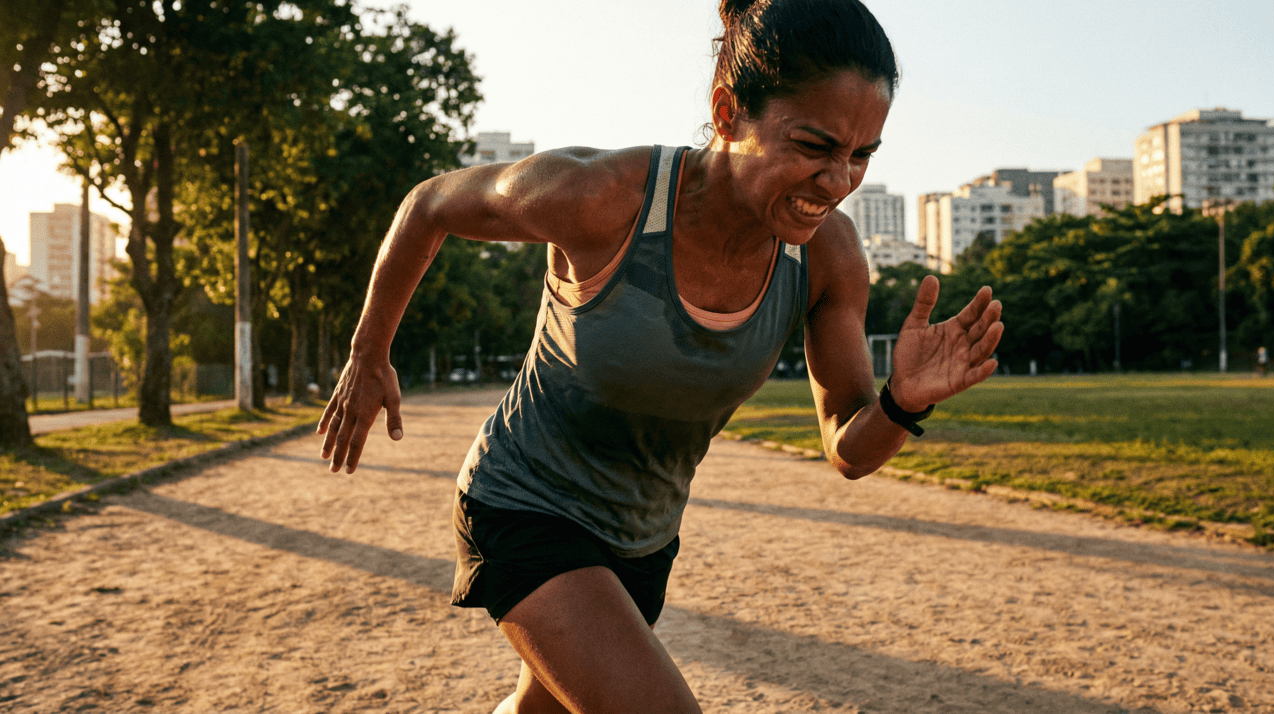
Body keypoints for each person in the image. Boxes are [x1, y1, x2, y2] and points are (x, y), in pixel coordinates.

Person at [318, 0, 1004, 711]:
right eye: (813, 146)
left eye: (860, 155)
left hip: (641, 544)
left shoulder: (829, 258)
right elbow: (429, 204)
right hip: (524, 505)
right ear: (728, 110)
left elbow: (848, 449)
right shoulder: (602, 198)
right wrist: (370, 354)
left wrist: (902, 402)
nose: (838, 181)